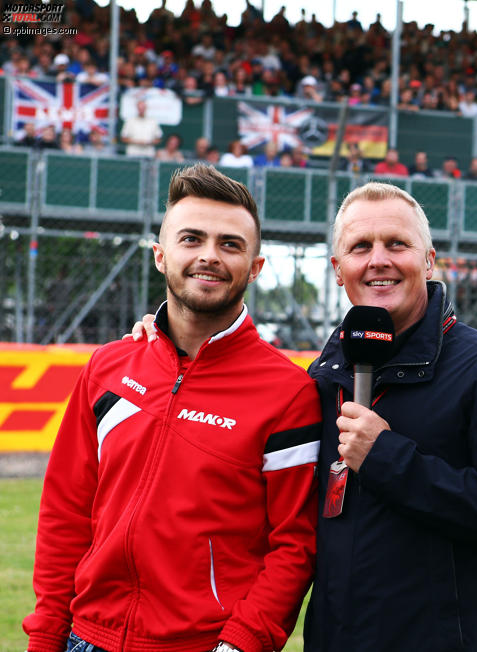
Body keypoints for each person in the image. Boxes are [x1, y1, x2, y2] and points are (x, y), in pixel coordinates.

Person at [24, 164, 323, 652]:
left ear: (255, 267)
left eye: (230, 244)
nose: (209, 256)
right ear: (161, 256)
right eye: (191, 239)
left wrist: (241, 643)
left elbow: (295, 545)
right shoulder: (108, 366)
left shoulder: (288, 392)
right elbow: (65, 513)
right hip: (85, 639)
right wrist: (46, 636)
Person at [304, 183, 477, 651]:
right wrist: (162, 335)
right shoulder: (322, 376)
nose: (378, 260)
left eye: (396, 244)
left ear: (429, 260)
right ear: (339, 270)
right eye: (360, 247)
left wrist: (388, 457)